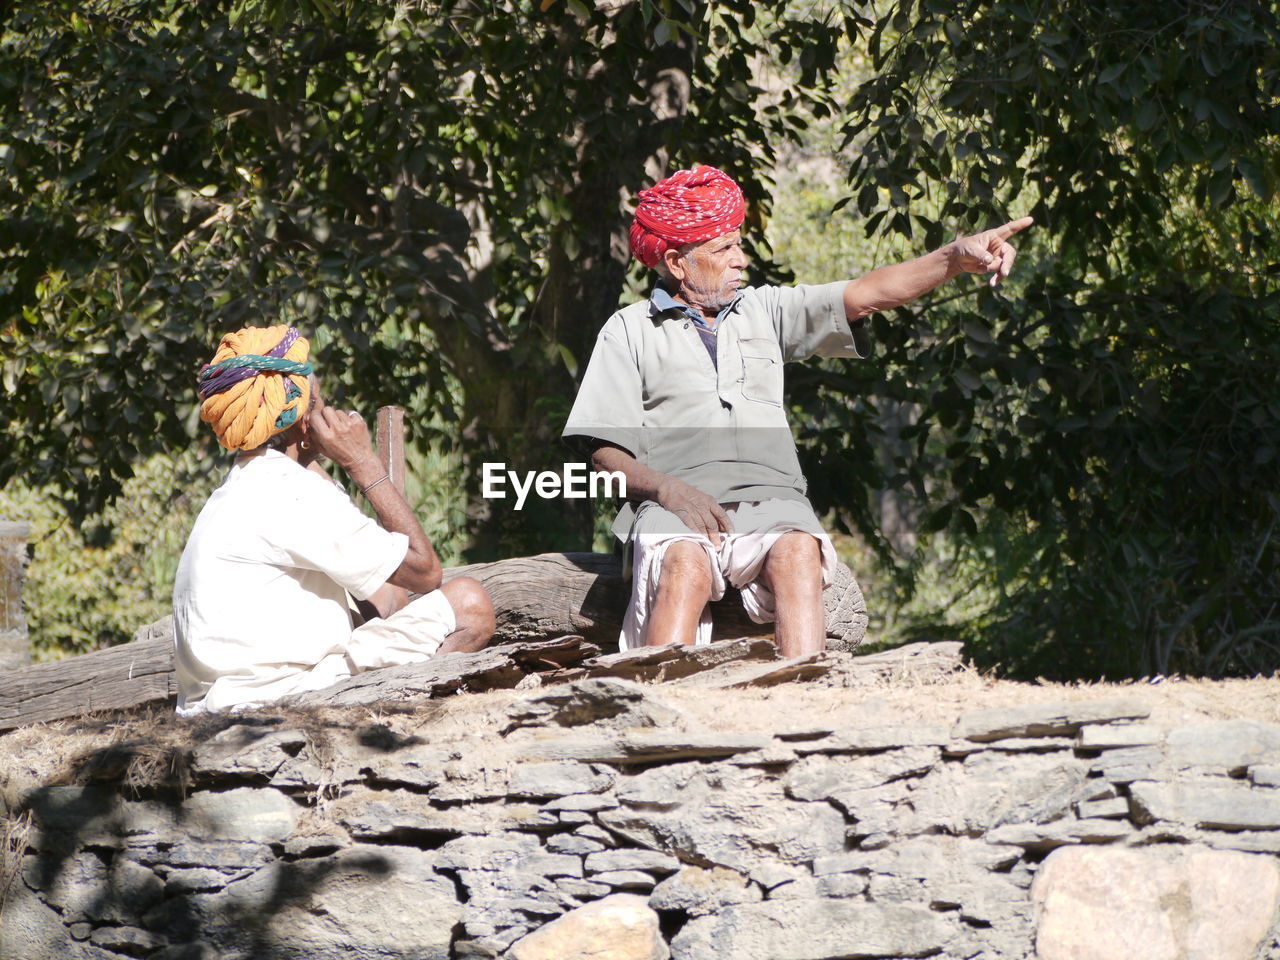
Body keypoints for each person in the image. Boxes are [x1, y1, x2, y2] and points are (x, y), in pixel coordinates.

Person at [563, 164, 1031, 658]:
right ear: (678, 263)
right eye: (725, 249)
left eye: (739, 245)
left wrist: (954, 257)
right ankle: (652, 708)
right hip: (672, 507)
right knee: (685, 564)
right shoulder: (629, 328)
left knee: (798, 551)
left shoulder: (765, 311)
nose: (741, 260)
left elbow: (868, 294)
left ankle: (804, 701)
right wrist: (669, 490)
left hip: (772, 502)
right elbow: (602, 454)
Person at [173, 325, 495, 713]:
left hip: (220, 704)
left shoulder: (246, 485)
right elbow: (426, 573)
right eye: (319, 402)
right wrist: (362, 462)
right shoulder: (290, 492)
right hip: (282, 699)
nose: (330, 412)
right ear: (301, 420)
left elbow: (390, 601)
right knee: (469, 602)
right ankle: (423, 718)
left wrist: (315, 462)